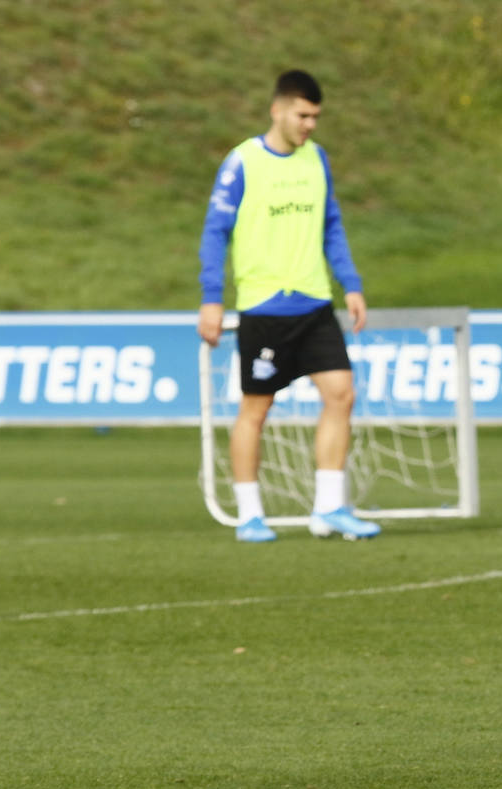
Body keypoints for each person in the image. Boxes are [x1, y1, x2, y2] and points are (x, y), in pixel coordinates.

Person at [197, 69, 380, 543]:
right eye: (303, 114)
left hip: (315, 302)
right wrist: (212, 299)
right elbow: (215, 233)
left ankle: (329, 508)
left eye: (316, 116)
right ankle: (251, 515)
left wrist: (351, 284)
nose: (310, 125)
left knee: (342, 393)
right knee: (256, 410)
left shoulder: (317, 159)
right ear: (278, 109)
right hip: (264, 307)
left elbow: (331, 227)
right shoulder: (241, 162)